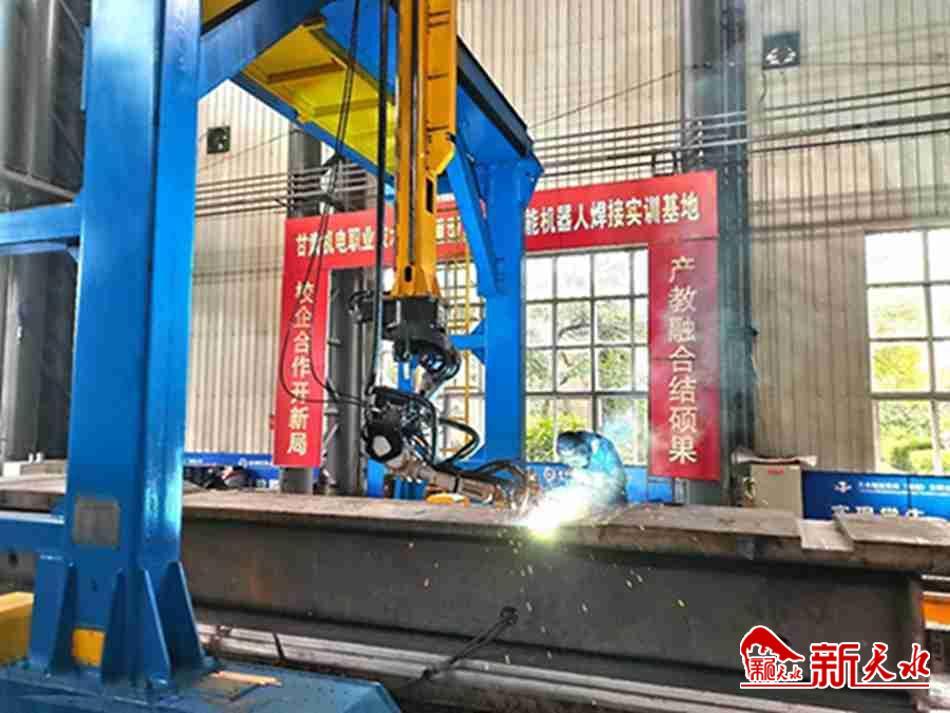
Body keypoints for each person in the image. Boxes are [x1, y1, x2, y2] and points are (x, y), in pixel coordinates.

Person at [555, 431, 628, 506]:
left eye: (575, 461)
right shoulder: (569, 452)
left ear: (584, 449)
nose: (571, 464)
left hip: (611, 496)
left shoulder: (602, 448)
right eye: (567, 460)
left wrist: (592, 480)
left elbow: (619, 481)